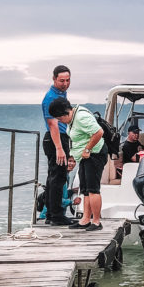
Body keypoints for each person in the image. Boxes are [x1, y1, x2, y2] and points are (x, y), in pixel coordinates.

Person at [48, 98, 107, 231]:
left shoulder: (81, 117)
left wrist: (87, 149)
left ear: (64, 114)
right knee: (85, 189)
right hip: (84, 157)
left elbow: (99, 132)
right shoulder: (73, 118)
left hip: (95, 154)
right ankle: (85, 220)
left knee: (93, 189)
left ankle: (97, 221)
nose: (59, 121)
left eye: (59, 118)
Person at [41, 65, 72, 226]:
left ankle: (51, 214)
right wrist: (59, 148)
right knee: (58, 178)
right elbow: (52, 124)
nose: (65, 83)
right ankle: (56, 215)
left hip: (61, 137)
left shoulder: (61, 93)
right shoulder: (51, 97)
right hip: (55, 139)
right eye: (61, 81)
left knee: (54, 177)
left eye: (67, 80)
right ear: (53, 79)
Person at [37, 156, 81, 220]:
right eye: (69, 161)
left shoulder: (66, 176)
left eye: (74, 161)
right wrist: (72, 202)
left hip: (58, 215)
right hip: (47, 217)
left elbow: (62, 194)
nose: (72, 164)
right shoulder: (60, 177)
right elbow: (56, 199)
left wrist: (71, 191)